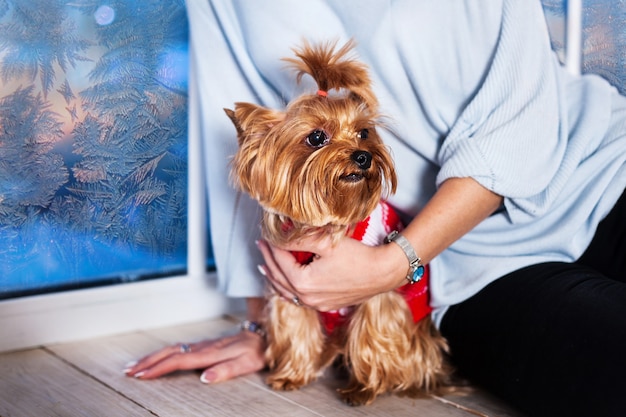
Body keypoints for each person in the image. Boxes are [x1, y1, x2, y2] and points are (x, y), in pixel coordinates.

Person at [124, 1, 626, 415]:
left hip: (602, 162)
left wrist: (392, 261)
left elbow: (517, 124)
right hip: (463, 264)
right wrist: (268, 322)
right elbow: (241, 139)